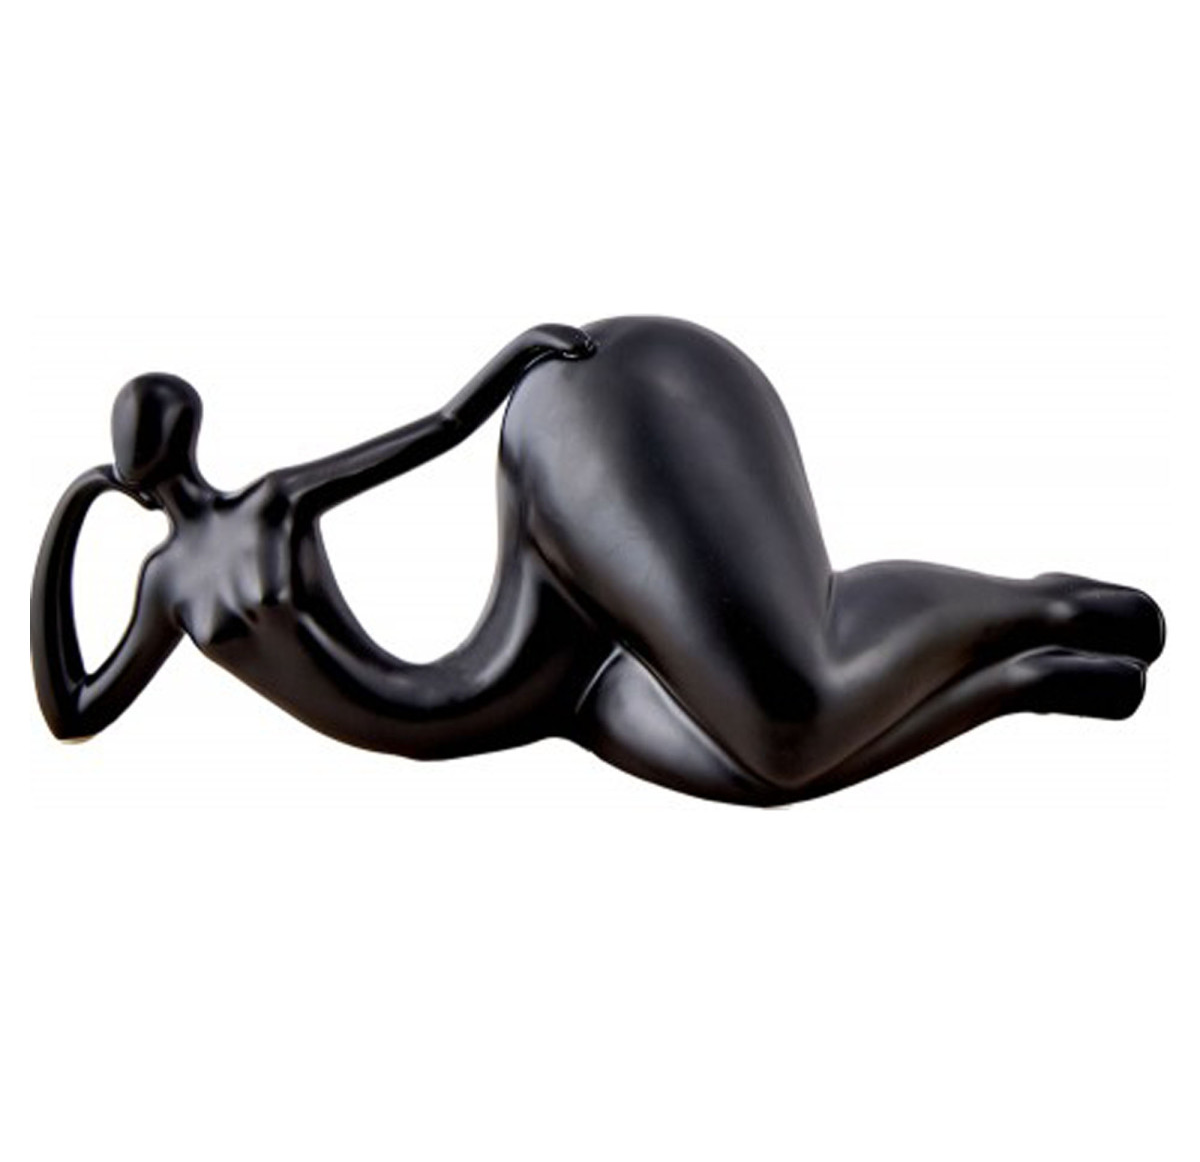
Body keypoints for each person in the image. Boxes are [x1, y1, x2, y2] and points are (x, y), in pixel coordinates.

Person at [31, 317, 1165, 806]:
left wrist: (515, 362)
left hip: (585, 458)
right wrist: (69, 516)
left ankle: (1042, 608)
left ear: (176, 435)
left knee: (793, 718)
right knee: (768, 773)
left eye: (145, 434)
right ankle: (1021, 681)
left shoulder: (270, 506)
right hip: (537, 685)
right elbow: (74, 711)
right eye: (133, 445)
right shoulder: (163, 587)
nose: (145, 452)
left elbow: (430, 434)